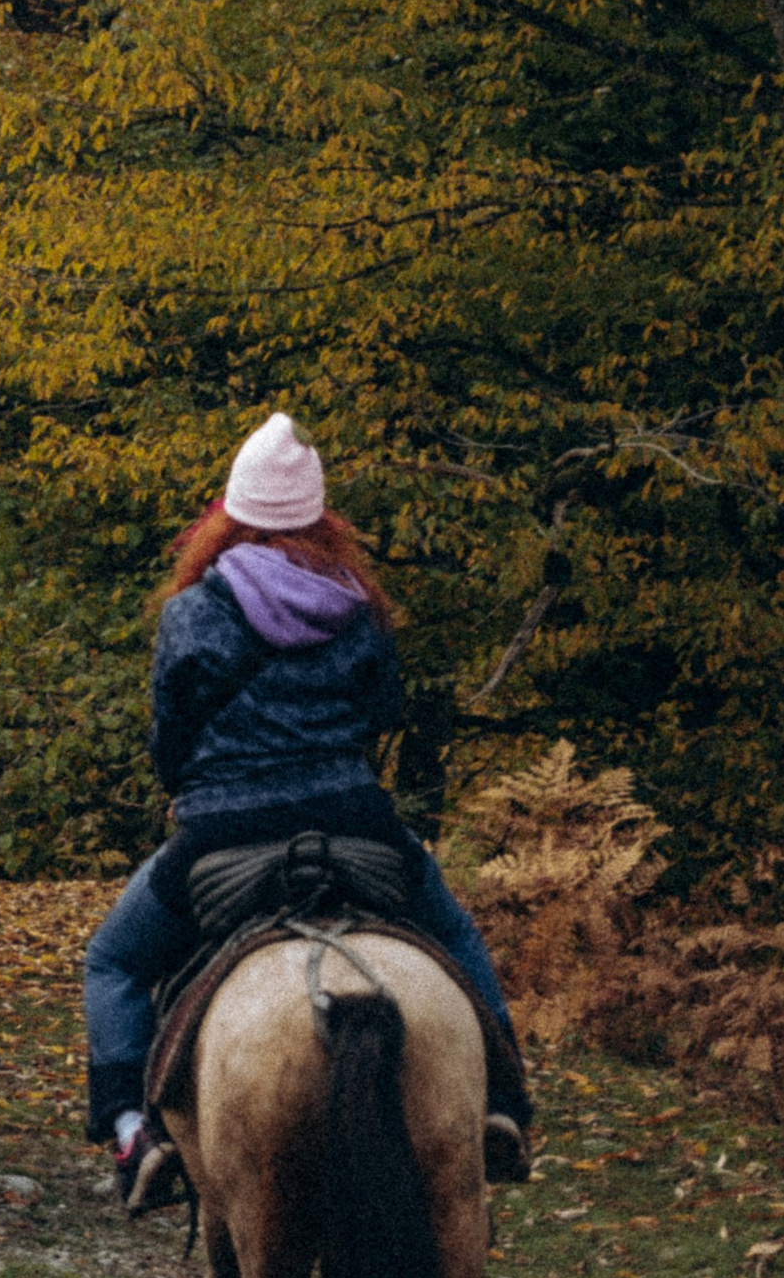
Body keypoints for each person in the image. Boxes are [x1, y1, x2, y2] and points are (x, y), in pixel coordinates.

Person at [83, 410, 526, 1213]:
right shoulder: (357, 602)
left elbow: (169, 737)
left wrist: (198, 780)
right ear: (321, 514)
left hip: (224, 830)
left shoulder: (194, 610)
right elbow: (385, 711)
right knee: (456, 933)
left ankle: (130, 1132)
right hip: (355, 818)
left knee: (112, 960)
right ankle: (501, 1103)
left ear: (233, 512)